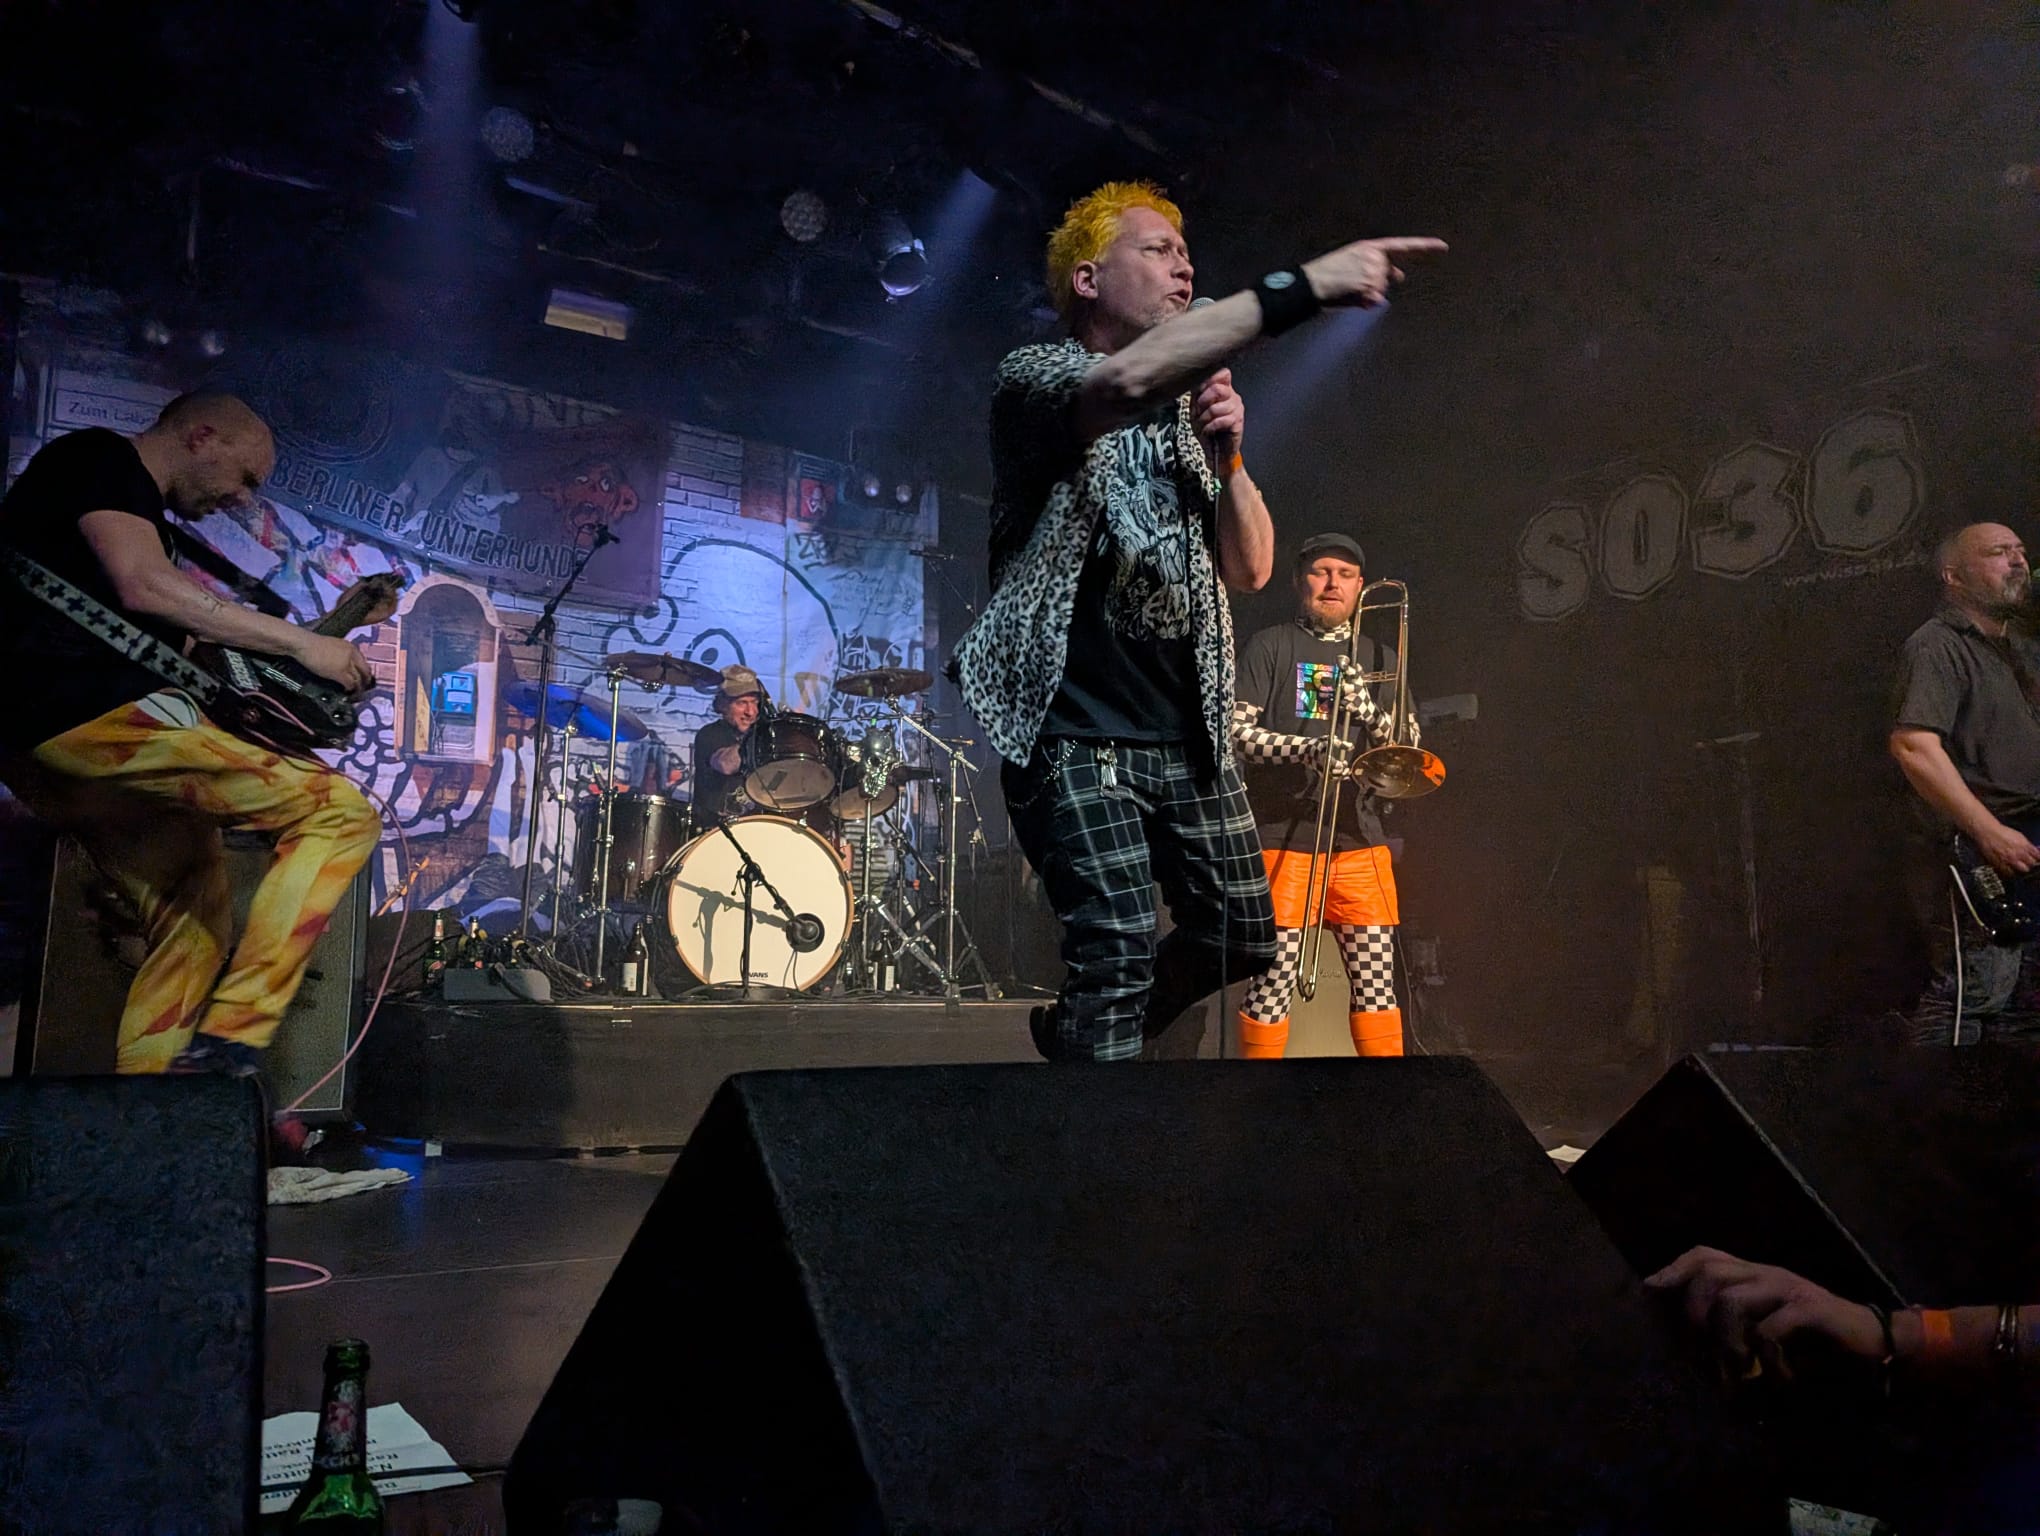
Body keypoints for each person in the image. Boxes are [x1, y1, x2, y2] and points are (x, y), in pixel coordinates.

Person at [948, 179, 1445, 1062]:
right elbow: (1125, 380)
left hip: (1185, 737)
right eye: (1157, 250)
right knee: (1115, 948)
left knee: (1244, 935)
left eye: (1187, 254)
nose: (1184, 267)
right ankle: (1096, 1104)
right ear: (1090, 280)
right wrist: (1306, 287)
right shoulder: (1038, 378)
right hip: (1075, 732)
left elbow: (1252, 568)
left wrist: (1231, 459)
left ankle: (1084, 1037)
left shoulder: (1189, 418)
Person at [0, 392, 384, 1076]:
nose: (241, 498)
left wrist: (332, 630)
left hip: (44, 749)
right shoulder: (99, 458)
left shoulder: (142, 521)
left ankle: (152, 1108)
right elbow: (144, 586)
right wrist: (303, 644)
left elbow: (197, 649)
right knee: (340, 813)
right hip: (88, 719)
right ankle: (234, 1037)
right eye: (245, 477)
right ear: (202, 436)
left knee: (193, 915)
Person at [1232, 533, 1417, 1057]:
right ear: (1300, 581)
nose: (1333, 583)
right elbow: (1236, 734)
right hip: (1283, 840)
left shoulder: (1380, 656)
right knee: (1272, 983)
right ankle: (1254, 1097)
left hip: (1359, 841)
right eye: (1321, 572)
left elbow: (1409, 751)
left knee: (1378, 988)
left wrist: (1368, 711)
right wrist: (1306, 748)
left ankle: (1385, 1096)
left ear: (1361, 587)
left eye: (1345, 575)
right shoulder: (1271, 645)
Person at [1889, 523, 2040, 1044]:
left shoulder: (2022, 650)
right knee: (1971, 992)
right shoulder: (1936, 645)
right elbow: (1914, 747)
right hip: (1972, 851)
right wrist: (1989, 831)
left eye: (2020, 551)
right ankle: (1931, 1096)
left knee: (2026, 1007)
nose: (2017, 561)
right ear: (1954, 576)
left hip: (2027, 846)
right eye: (1999, 552)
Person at [692, 666, 764, 824]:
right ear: (723, 705)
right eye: (742, 703)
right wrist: (752, 738)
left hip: (757, 827)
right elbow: (725, 765)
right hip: (715, 828)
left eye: (754, 702)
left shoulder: (762, 735)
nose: (751, 712)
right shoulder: (709, 734)